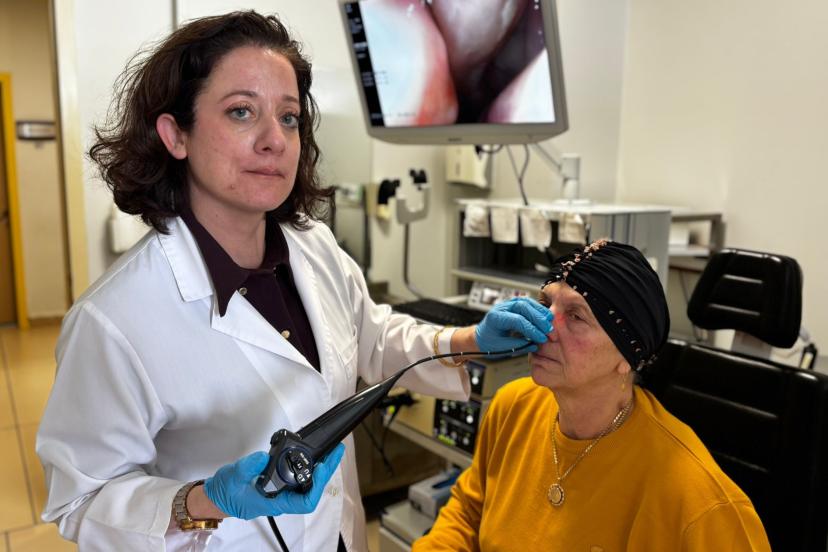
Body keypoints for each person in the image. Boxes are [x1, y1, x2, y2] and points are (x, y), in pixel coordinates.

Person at [35, 10, 552, 552]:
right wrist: (205, 500)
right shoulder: (114, 320)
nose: (274, 141)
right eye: (241, 112)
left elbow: (371, 338)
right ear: (175, 134)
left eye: (288, 118)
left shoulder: (312, 245)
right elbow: (80, 501)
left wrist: (469, 341)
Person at [413, 239, 772, 551]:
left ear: (627, 356)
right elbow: (468, 512)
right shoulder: (513, 406)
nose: (543, 327)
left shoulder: (700, 502)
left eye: (576, 315)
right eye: (546, 303)